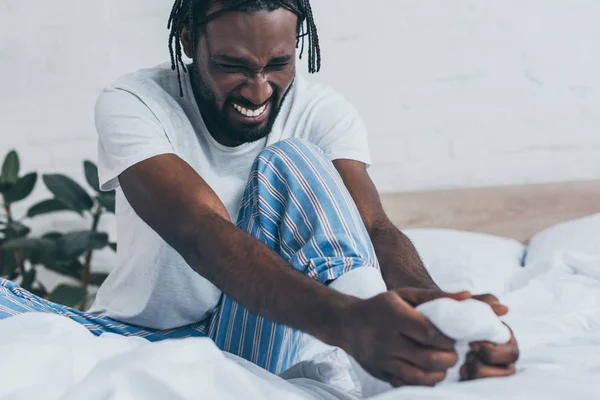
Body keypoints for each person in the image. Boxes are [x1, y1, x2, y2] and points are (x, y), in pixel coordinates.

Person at [0, 0, 518, 388]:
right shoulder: (135, 102)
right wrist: (343, 321)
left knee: (294, 159)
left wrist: (430, 312)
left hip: (251, 340)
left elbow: (373, 227)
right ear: (187, 39)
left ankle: (393, 359)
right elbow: (198, 231)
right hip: (128, 337)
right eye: (232, 66)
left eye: (278, 64)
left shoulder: (320, 111)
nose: (258, 90)